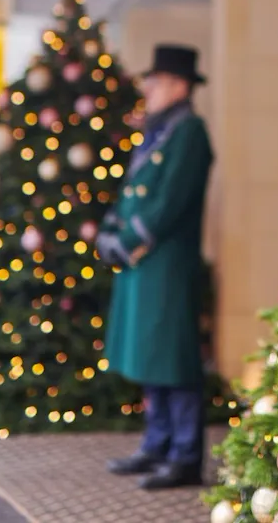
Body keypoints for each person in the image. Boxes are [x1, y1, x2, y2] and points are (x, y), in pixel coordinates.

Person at [97, 44, 215, 491]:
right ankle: (157, 443)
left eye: (157, 80)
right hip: (143, 267)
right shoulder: (158, 130)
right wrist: (110, 233)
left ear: (180, 86)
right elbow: (132, 192)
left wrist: (127, 243)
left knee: (174, 359)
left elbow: (168, 203)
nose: (148, 88)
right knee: (151, 358)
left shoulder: (190, 132)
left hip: (165, 263)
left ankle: (185, 456)